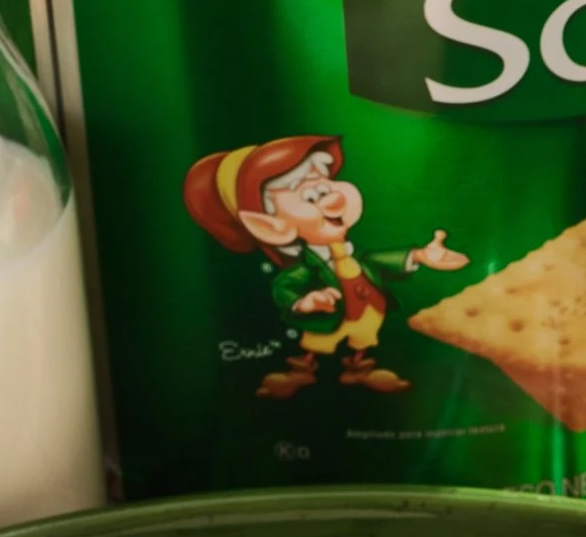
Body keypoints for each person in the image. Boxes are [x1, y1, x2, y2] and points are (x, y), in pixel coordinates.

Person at [181, 135, 464, 401]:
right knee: (317, 345)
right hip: (329, 319)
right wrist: (304, 302)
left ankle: (359, 370)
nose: (333, 199)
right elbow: (286, 285)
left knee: (363, 340)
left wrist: (419, 255)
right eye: (310, 197)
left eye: (325, 186)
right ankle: (300, 372)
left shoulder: (352, 253)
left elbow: (375, 262)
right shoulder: (306, 266)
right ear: (272, 227)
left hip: (367, 312)